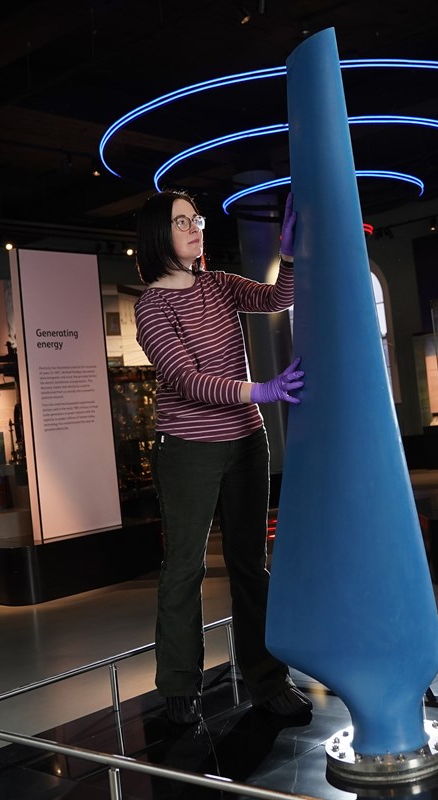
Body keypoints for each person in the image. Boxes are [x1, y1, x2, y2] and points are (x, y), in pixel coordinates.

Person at [133, 189, 312, 725]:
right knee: (184, 569)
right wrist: (262, 391)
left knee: (250, 566)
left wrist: (288, 252)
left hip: (246, 443)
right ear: (157, 235)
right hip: (188, 449)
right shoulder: (152, 305)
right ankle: (179, 687)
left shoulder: (219, 284)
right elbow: (184, 379)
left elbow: (278, 297)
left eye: (196, 218)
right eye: (181, 221)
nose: (195, 228)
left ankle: (266, 679)